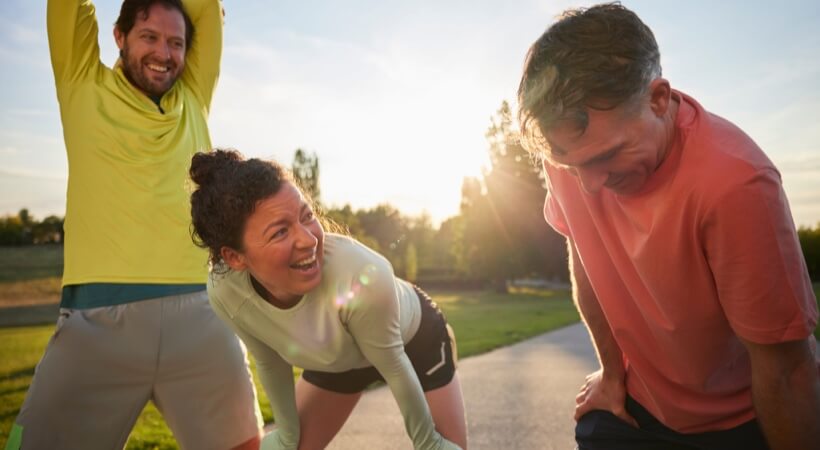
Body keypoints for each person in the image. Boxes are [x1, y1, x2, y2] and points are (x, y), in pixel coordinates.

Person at [517, 3, 819, 450]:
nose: (589, 184)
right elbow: (584, 257)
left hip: (743, 420)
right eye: (570, 164)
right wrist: (611, 373)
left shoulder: (735, 183)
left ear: (658, 100)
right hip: (638, 414)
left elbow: (787, 370)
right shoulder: (571, 154)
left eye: (606, 157)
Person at [6, 1, 262, 449]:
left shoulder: (194, 96)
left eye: (176, 42)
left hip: (202, 319)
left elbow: (205, 9)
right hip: (96, 324)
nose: (164, 53)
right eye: (149, 36)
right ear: (119, 37)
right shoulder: (82, 82)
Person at [188, 149, 468, 450]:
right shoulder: (226, 291)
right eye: (280, 232)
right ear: (234, 257)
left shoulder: (363, 274)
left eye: (306, 216)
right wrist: (287, 435)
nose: (308, 239)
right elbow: (269, 362)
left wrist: (428, 443)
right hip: (338, 361)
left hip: (415, 341)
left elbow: (394, 365)